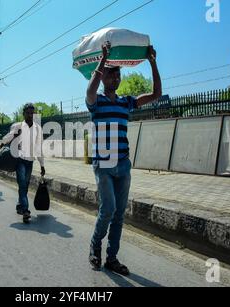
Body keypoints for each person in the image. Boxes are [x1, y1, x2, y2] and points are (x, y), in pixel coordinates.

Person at [86, 43, 162, 276]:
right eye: (112, 74)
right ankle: (95, 245)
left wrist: (152, 61)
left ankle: (112, 258)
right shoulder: (96, 102)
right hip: (104, 164)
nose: (116, 77)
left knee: (119, 213)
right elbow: (89, 91)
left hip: (123, 164)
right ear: (104, 77)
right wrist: (104, 58)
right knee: (107, 208)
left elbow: (156, 94)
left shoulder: (125, 102)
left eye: (118, 74)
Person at [1, 103, 46, 223]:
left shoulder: (38, 129)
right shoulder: (18, 126)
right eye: (28, 113)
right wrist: (15, 135)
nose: (30, 115)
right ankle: (25, 210)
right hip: (20, 160)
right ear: (23, 113)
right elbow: (5, 139)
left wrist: (42, 165)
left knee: (25, 185)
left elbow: (39, 148)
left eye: (32, 113)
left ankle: (20, 205)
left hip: (30, 162)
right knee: (22, 184)